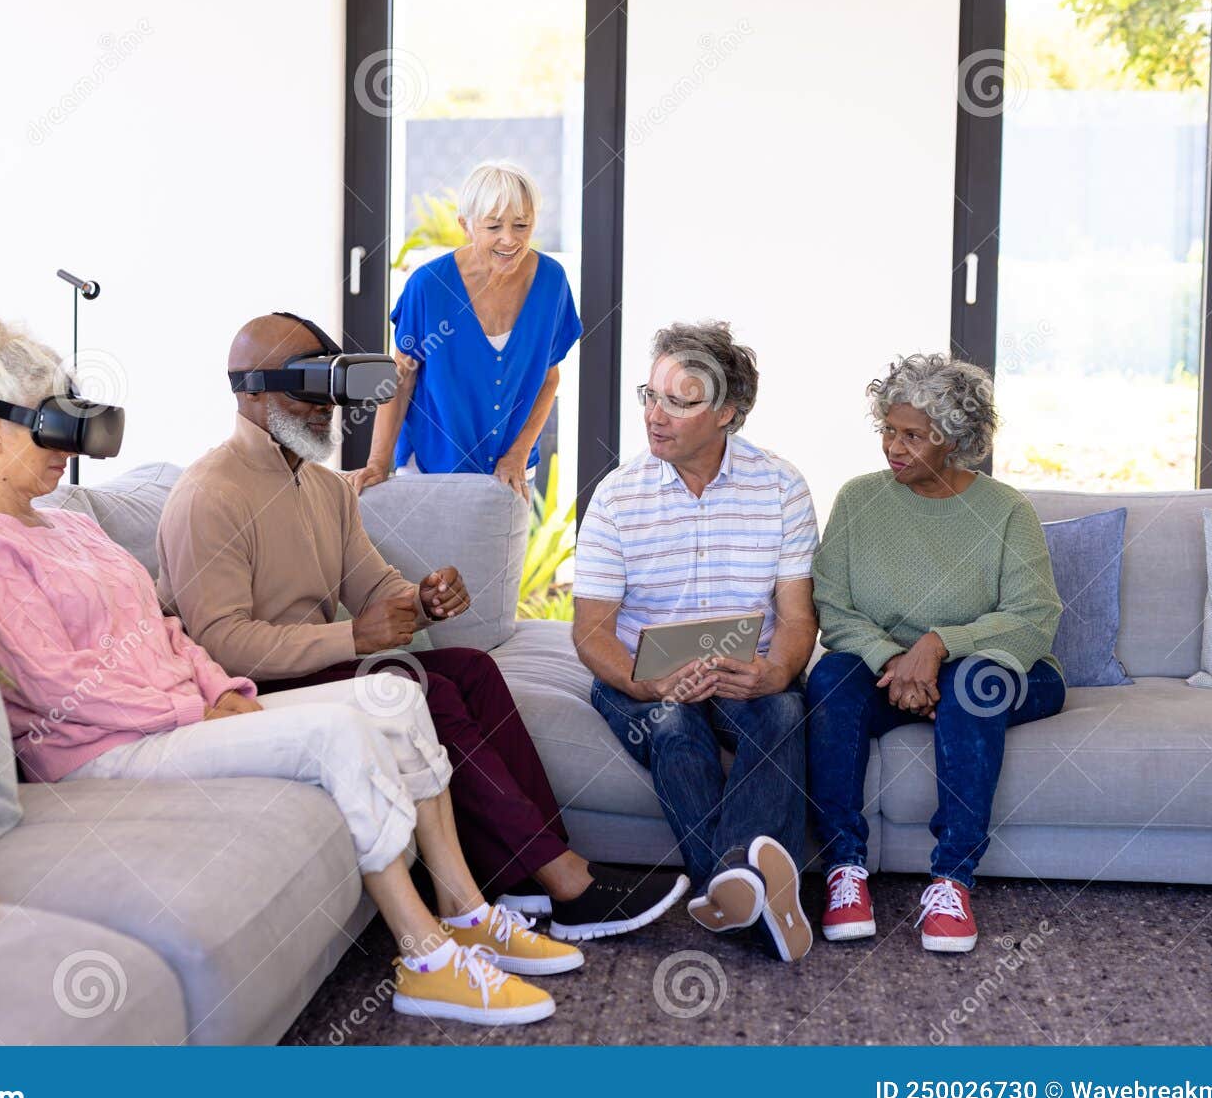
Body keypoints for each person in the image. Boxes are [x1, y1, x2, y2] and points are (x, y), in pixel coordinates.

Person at [0, 312, 569, 1028]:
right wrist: (191, 709)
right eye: (47, 426)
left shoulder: (73, 525)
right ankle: (424, 958)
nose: (64, 447)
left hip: (181, 713)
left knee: (392, 696)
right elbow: (56, 687)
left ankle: (466, 908)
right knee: (337, 734)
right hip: (102, 750)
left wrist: (218, 688)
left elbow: (165, 629)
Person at [155, 311, 687, 945]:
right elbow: (222, 644)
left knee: (471, 668)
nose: (326, 407)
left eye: (331, 387)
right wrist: (357, 638)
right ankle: (567, 881)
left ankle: (520, 881)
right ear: (250, 393)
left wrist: (421, 597)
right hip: (250, 696)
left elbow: (372, 585)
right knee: (418, 687)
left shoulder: (326, 490)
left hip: (316, 673)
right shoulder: (208, 494)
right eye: (307, 389)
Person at [572, 320, 820, 963]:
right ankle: (755, 891)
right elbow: (592, 631)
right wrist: (646, 682)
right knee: (675, 723)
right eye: (649, 395)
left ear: (727, 413)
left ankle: (731, 886)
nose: (655, 416)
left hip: (743, 671)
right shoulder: (617, 497)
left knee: (785, 707)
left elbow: (796, 619)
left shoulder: (782, 487)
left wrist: (775, 670)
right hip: (641, 676)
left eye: (679, 402)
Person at [806, 353, 1065, 954]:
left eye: (913, 435)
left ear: (954, 439)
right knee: (829, 682)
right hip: (889, 673)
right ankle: (845, 871)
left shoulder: (1006, 511)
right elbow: (834, 608)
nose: (894, 446)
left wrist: (939, 644)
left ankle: (952, 880)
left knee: (972, 684)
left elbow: (1034, 620)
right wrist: (894, 661)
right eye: (888, 431)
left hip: (1000, 669)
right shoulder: (858, 500)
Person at [346, 160, 582, 502]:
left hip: (511, 472)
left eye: (521, 225)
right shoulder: (428, 286)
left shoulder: (551, 282)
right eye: (493, 226)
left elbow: (548, 378)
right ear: (466, 226)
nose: (509, 239)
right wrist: (377, 463)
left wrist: (518, 454)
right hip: (432, 468)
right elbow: (402, 377)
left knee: (498, 557)